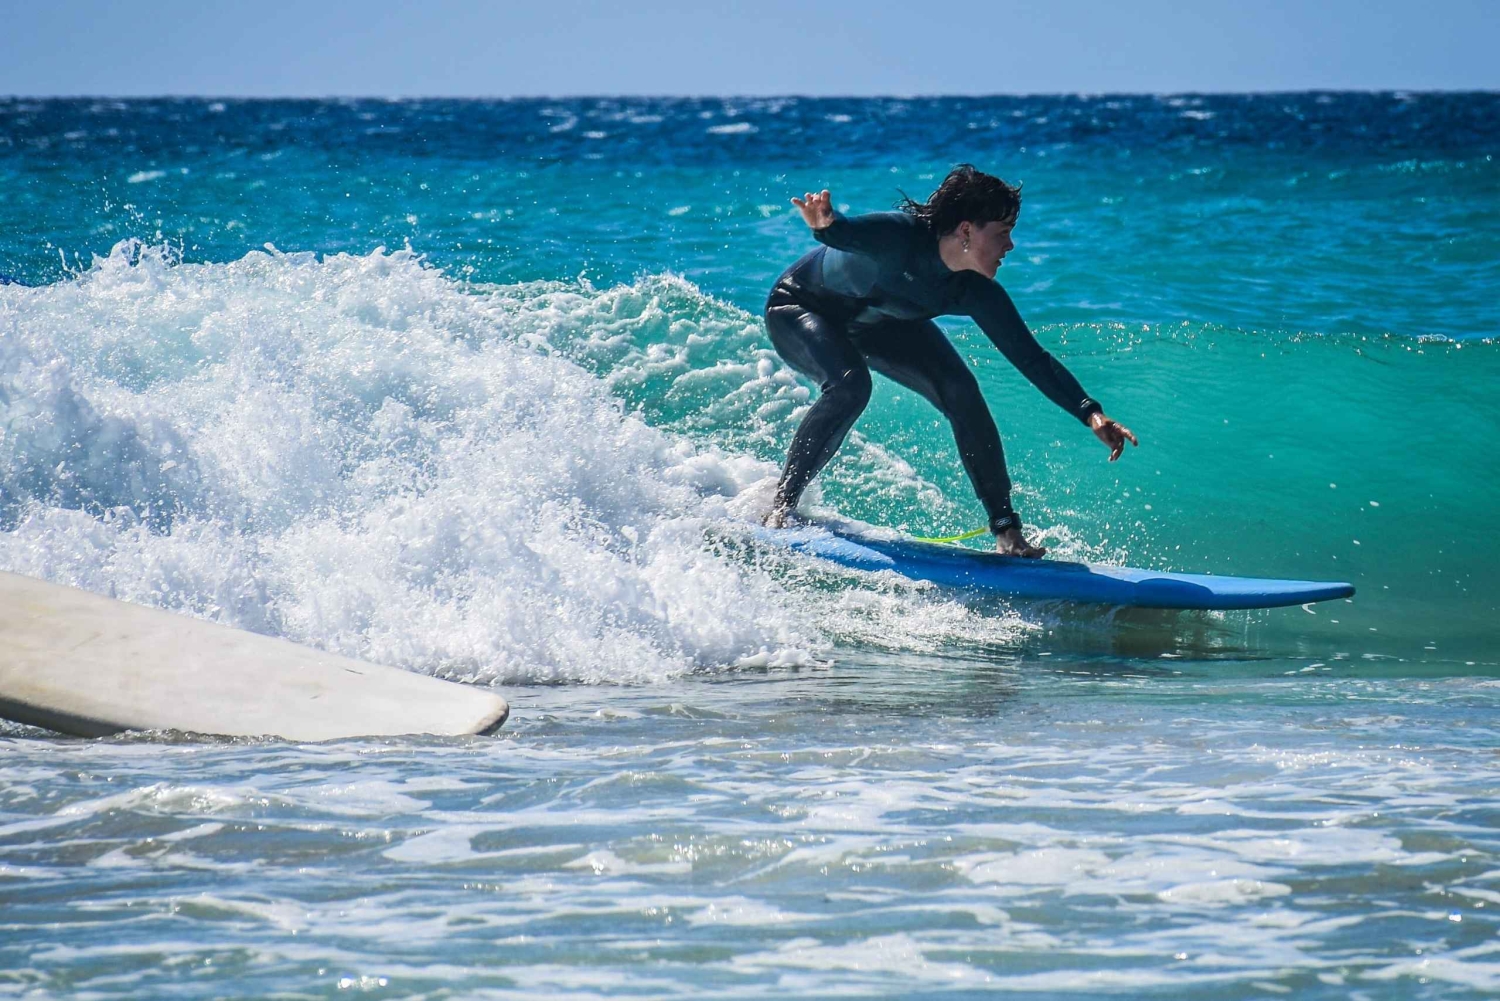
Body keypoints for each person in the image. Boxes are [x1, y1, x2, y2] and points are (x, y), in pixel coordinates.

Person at [762, 165, 1138, 557]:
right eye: (1003, 233)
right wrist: (825, 223)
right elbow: (845, 232)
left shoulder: (974, 291)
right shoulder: (900, 236)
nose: (1011, 245)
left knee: (961, 391)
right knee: (851, 385)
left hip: (877, 324)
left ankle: (1007, 532)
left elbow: (1032, 359)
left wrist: (1090, 413)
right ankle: (781, 509)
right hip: (800, 307)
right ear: (966, 231)